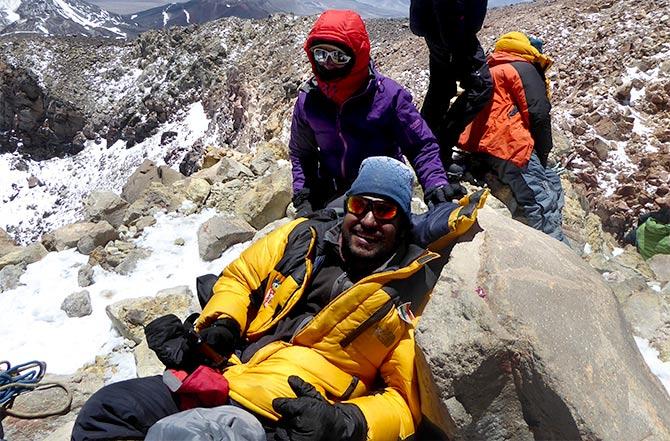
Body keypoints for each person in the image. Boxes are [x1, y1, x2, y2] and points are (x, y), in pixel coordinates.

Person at [71, 156, 485, 441]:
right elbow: (241, 277)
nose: (370, 220)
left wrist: (344, 424)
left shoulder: (408, 291)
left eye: (387, 211)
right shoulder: (301, 236)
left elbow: (405, 401)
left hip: (289, 416)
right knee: (107, 410)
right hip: (229, 374)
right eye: (362, 205)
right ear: (348, 207)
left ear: (403, 221)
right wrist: (220, 328)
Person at [289, 9, 463, 216]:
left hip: (381, 187)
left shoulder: (389, 96)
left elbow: (420, 146)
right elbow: (302, 152)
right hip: (332, 186)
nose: (328, 62)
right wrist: (304, 194)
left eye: (338, 56)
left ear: (358, 55)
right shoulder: (309, 99)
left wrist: (436, 185)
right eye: (320, 53)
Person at [457, 31, 569, 244]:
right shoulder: (523, 68)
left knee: (551, 182)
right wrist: (544, 151)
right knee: (541, 203)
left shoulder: (491, 68)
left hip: (485, 147)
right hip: (509, 146)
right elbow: (539, 112)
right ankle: (553, 254)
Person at [409, 0, 493, 168]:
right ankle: (441, 145)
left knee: (441, 88)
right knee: (481, 85)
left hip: (439, 27)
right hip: (451, 30)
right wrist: (454, 43)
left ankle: (422, 143)